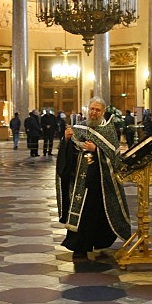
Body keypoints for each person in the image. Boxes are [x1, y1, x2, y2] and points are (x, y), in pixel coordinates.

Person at [56, 97, 132, 260]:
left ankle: (97, 242)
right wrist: (67, 139)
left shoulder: (108, 129)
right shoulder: (80, 127)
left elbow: (115, 157)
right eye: (91, 109)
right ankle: (79, 246)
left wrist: (96, 149)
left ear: (103, 111)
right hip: (80, 181)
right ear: (87, 109)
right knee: (80, 213)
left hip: (100, 181)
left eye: (97, 110)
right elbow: (69, 152)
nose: (94, 112)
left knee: (96, 213)